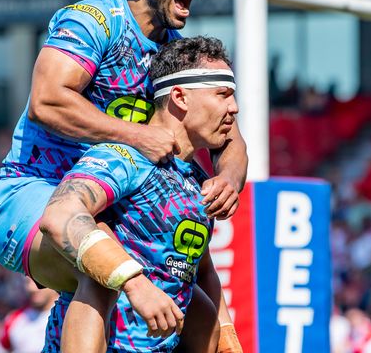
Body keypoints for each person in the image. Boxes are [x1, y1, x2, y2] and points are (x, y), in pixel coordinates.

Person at [0, 0, 246, 350]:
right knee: (102, 261)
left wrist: (229, 180)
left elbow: (228, 132)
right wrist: (138, 136)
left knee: (184, 280)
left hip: (112, 197)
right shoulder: (95, 20)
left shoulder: (175, 54)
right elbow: (46, 101)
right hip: (32, 193)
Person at [37, 36, 241, 352]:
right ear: (180, 97)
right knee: (98, 282)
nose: (234, 107)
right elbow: (59, 214)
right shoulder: (125, 156)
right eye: (222, 95)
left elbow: (198, 272)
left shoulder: (198, 182)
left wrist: (226, 336)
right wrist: (135, 283)